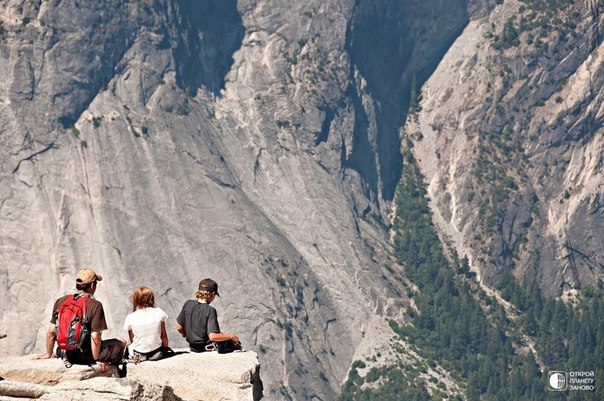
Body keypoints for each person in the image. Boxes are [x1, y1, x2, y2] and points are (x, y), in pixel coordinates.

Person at [34, 268, 127, 373]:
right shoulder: (95, 305)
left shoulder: (61, 301)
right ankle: (120, 372)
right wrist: (95, 359)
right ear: (92, 285)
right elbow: (95, 337)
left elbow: (51, 332)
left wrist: (48, 353)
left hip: (63, 352)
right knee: (122, 343)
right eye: (95, 283)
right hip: (85, 356)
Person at [176, 278, 240, 353]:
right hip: (206, 348)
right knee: (231, 341)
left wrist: (185, 334)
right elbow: (213, 336)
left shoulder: (188, 304)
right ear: (211, 294)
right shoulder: (210, 310)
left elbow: (179, 327)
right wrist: (232, 336)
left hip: (192, 347)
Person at [123, 286, 170, 361]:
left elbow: (133, 340)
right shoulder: (159, 312)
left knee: (126, 343)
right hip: (157, 353)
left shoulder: (130, 317)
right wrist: (165, 350)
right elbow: (164, 336)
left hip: (139, 355)